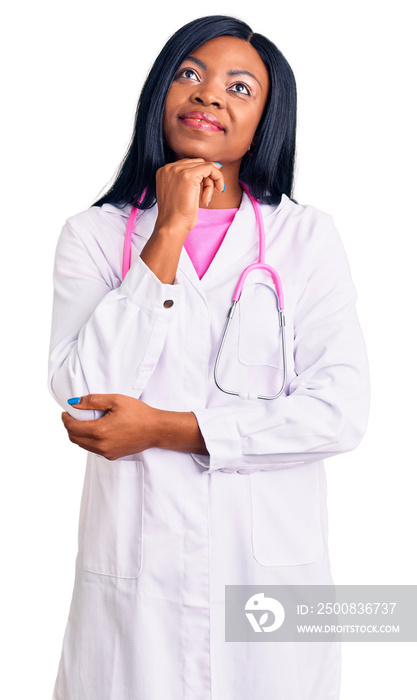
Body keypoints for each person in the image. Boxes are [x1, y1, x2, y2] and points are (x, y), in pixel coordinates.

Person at [48, 14, 370, 700]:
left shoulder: (304, 238)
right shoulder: (94, 236)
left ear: (265, 119)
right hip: (136, 582)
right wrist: (168, 231)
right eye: (190, 74)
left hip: (267, 587)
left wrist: (168, 429)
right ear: (161, 91)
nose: (209, 95)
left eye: (239, 86)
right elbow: (83, 396)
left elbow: (338, 414)